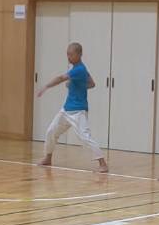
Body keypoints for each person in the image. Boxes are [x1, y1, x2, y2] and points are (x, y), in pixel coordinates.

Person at [36, 42, 108, 174]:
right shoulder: (79, 69)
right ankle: (48, 158)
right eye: (67, 54)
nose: (68, 57)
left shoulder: (79, 69)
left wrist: (46, 86)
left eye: (71, 55)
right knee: (51, 131)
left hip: (78, 111)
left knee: (85, 137)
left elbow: (61, 78)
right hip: (66, 110)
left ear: (79, 55)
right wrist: (78, 85)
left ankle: (103, 164)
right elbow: (92, 83)